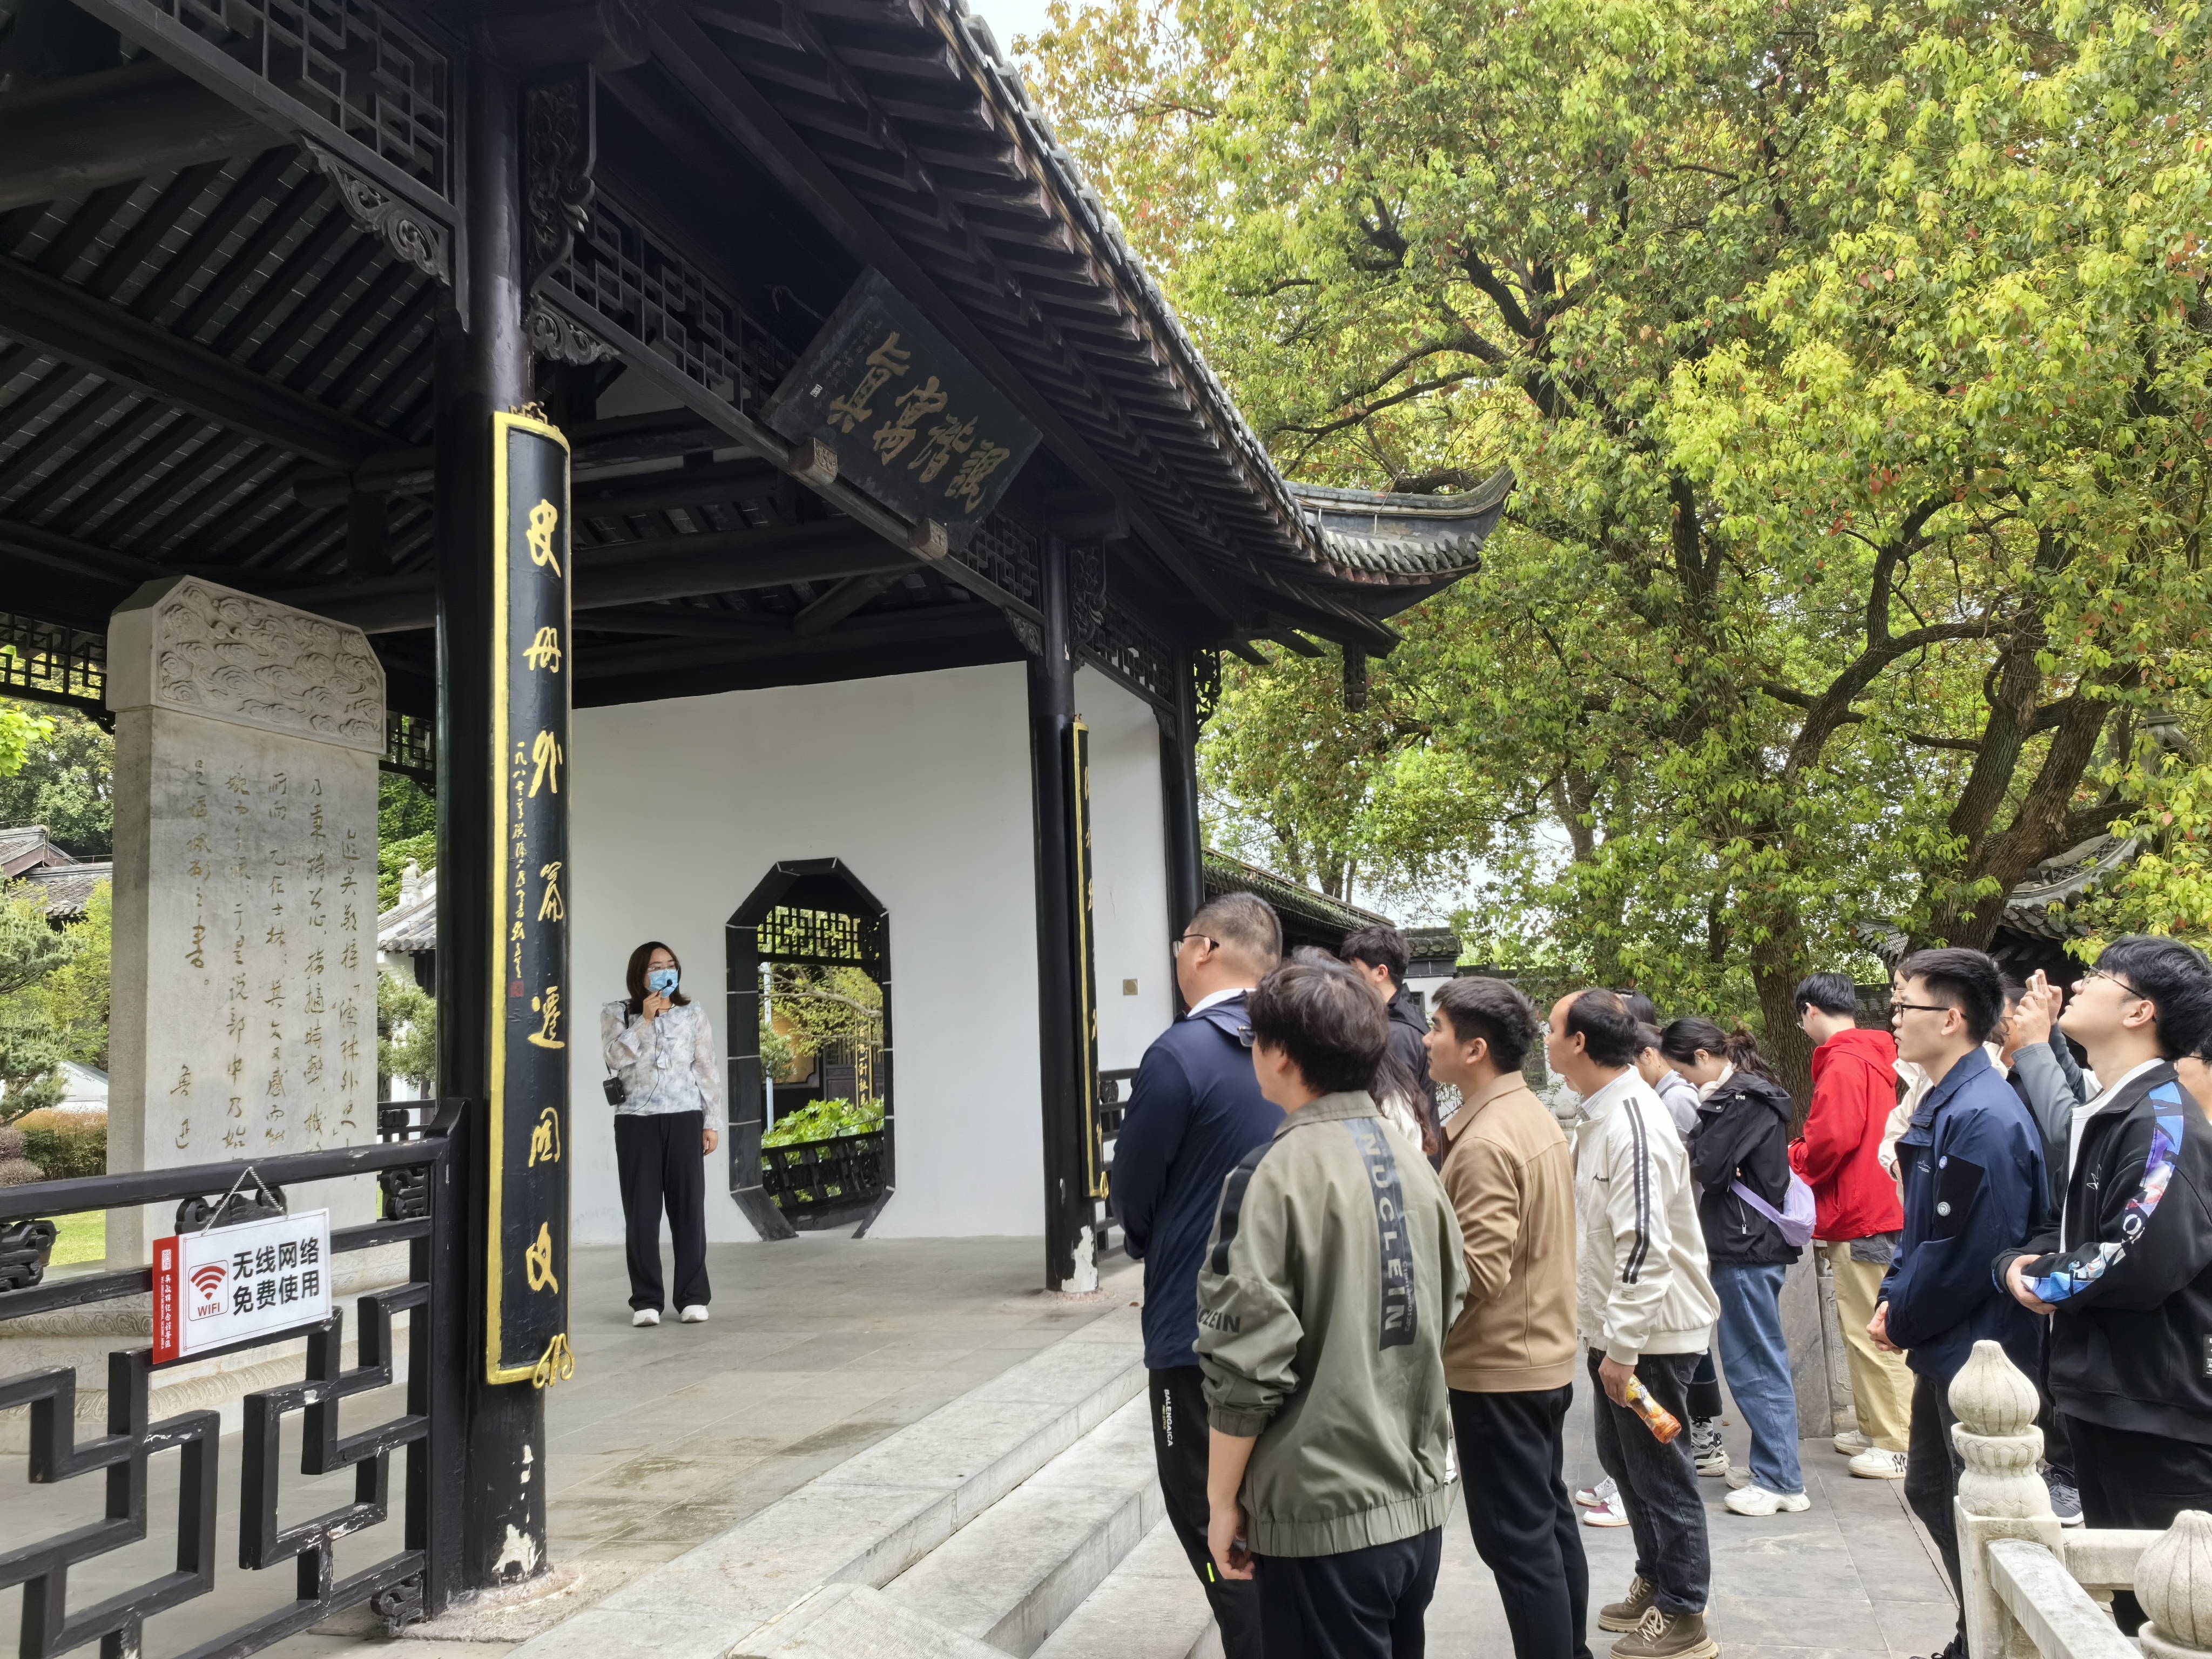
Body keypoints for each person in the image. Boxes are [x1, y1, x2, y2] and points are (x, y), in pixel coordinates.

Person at [1197, 951, 1467, 1659]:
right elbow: (1451, 1301)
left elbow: (1245, 1363)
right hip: (1413, 1504)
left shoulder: (1270, 1173)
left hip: (1320, 1518)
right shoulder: (1413, 1162)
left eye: (1255, 1039)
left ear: (1280, 1054)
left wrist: (1221, 1502)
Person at [1996, 935, 2212, 1634]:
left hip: (2156, 1405)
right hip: (2111, 1394)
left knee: (2178, 1613)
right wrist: (2024, 1262)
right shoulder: (2119, 1109)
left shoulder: (2163, 1120)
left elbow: (2136, 1255)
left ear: (2139, 1011)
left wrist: (2040, 1277)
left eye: (2098, 976)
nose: (2080, 984)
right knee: (2136, 1606)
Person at [1112, 892, 1284, 1659]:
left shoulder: (1180, 1054)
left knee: (1212, 1521)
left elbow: (1133, 1194)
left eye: (1182, 942)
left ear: (1204, 949)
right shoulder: (1297, 1051)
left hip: (1195, 1329)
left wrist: (1157, 1242)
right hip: (1290, 1322)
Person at [1875, 948, 2049, 1659]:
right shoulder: (1948, 1099)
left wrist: (1902, 1314)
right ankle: (1974, 1635)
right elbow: (1921, 1229)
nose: (1892, 1019)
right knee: (1931, 1488)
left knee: (1975, 1504)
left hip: (1982, 1347)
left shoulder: (1981, 1113)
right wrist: (1893, 1296)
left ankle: (1988, 1641)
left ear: (1950, 1019)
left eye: (1903, 1006)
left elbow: (1969, 1253)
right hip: (1948, 1339)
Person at [1549, 988, 1719, 1659]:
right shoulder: (1602, 1113)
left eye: (1552, 1028)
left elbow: (1643, 1246)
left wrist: (1621, 1349)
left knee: (1661, 1473)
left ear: (1579, 1043)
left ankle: (1683, 1613)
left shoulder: (1632, 1122)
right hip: (1618, 1332)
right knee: (1625, 1463)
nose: (1545, 1038)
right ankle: (1655, 1580)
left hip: (1648, 1336)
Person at [1424, 978, 1590, 1659]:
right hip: (1538, 1356)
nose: (1426, 1040)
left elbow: (1478, 1272)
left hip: (1499, 1368)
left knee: (1516, 1544)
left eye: (1437, 1027)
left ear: (1475, 1049)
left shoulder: (1487, 1140)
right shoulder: (1527, 1115)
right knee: (1546, 1523)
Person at [1660, 1018, 1806, 1519]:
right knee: (1755, 1359)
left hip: (1746, 1245)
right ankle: (1773, 1466)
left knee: (1754, 1363)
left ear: (1703, 1057)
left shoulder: (1738, 1100)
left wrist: (1701, 1147)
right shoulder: (1744, 1094)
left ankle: (1781, 1480)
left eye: (1684, 1071)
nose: (1685, 1082)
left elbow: (1709, 1168)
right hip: (1749, 1242)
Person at [1790, 972, 1913, 1482]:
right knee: (1864, 1327)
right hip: (1877, 1206)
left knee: (1873, 1330)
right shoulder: (1875, 1056)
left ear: (1810, 1010)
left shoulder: (1842, 1061)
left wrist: (1795, 1156)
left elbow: (1831, 1139)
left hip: (1861, 1213)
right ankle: (1873, 1429)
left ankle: (1897, 1441)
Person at [601, 941, 721, 1327]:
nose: (665, 972)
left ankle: (693, 1297)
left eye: (670, 965)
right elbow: (614, 1059)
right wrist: (646, 1020)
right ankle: (646, 1301)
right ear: (640, 974)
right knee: (642, 1213)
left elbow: (706, 1068)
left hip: (684, 1117)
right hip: (636, 1121)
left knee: (689, 1210)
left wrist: (711, 1121)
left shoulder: (693, 1013)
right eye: (656, 966)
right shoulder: (617, 1012)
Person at [1343, 924, 1442, 1157]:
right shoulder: (1402, 1018)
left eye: (1355, 971)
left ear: (1381, 973)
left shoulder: (1396, 1033)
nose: (1349, 980)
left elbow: (1396, 1118)